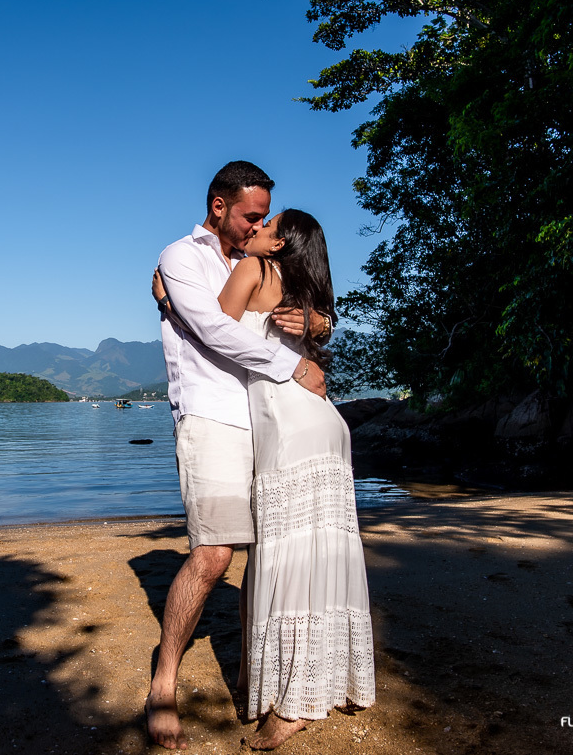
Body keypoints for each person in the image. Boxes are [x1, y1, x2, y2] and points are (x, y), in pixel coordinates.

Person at [147, 161, 327, 750]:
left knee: (270, 557)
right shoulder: (181, 258)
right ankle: (165, 680)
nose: (258, 226)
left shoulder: (260, 258)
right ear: (219, 206)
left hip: (269, 420)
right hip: (211, 417)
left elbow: (315, 308)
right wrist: (294, 364)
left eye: (263, 217)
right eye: (251, 215)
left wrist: (316, 325)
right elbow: (214, 330)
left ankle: (260, 676)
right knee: (214, 555)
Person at [212, 208, 375, 749]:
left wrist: (168, 301)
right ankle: (326, 682)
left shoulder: (254, 270)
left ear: (280, 242)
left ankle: (292, 704)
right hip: (320, 421)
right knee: (320, 555)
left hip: (290, 424)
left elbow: (212, 331)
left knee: (292, 557)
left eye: (266, 225)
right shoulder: (301, 289)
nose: (255, 229)